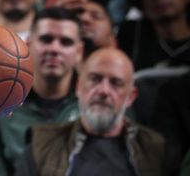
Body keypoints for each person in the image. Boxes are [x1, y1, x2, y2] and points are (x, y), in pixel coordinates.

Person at [15, 48, 179, 176]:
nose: (103, 90)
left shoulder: (156, 149)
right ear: (79, 87)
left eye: (116, 83)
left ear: (131, 96)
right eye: (95, 79)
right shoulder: (42, 144)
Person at [0, 7, 83, 176]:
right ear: (28, 44)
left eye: (65, 42)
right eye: (46, 39)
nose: (54, 49)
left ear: (79, 52)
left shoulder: (95, 102)